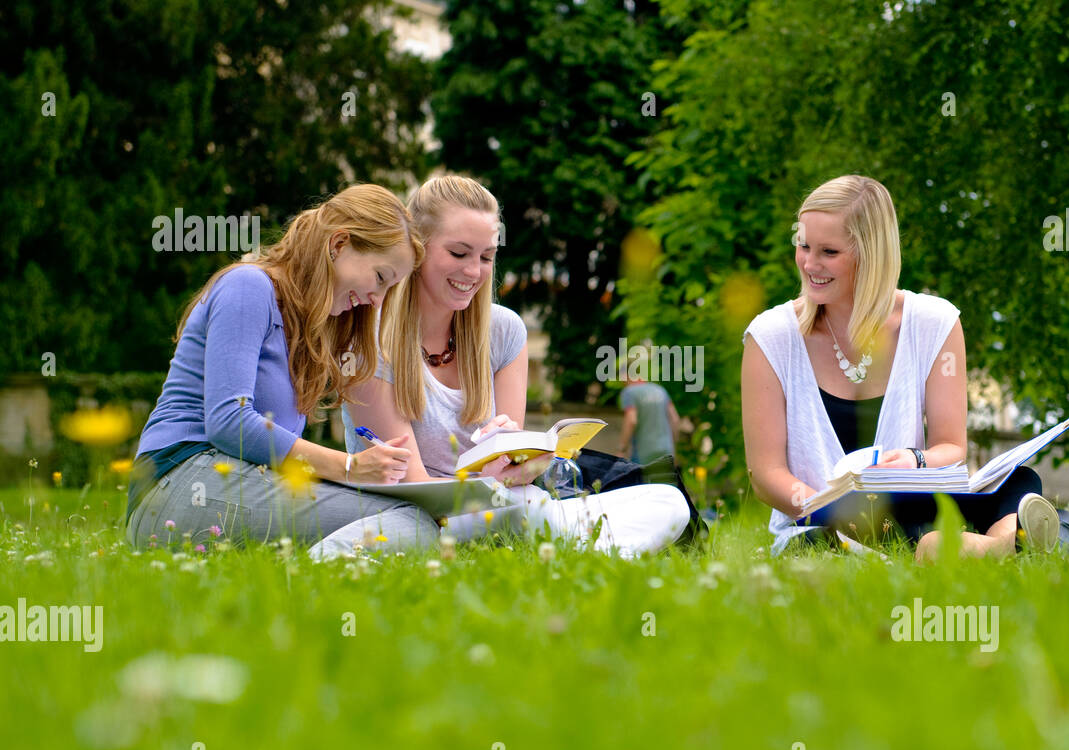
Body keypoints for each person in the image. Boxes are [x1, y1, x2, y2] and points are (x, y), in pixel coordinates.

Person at [341, 174, 690, 558]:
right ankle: (585, 553)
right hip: (417, 515)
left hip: (505, 507)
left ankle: (579, 551)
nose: (474, 272)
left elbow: (513, 476)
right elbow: (413, 486)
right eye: (459, 254)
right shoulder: (369, 336)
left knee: (668, 501)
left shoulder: (504, 330)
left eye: (486, 257)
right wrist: (498, 493)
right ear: (417, 251)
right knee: (530, 517)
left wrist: (520, 462)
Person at [740, 174, 1060, 560]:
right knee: (821, 546)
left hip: (912, 509)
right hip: (820, 525)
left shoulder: (934, 323)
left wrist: (915, 460)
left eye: (829, 252)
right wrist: (838, 513)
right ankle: (1000, 546)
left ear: (872, 254)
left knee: (1019, 481)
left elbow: (951, 447)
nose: (809, 264)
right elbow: (766, 475)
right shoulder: (771, 336)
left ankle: (992, 545)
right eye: (803, 246)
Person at [125, 184, 441, 559]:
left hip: (232, 480)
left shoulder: (304, 325)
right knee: (410, 523)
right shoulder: (248, 286)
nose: (378, 300)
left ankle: (306, 570)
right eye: (380, 278)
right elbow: (229, 422)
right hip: (180, 481)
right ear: (338, 244)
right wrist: (350, 467)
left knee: (411, 519)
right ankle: (318, 574)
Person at [615, 364, 679, 469]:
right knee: (662, 484)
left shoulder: (629, 392)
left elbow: (631, 420)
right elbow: (675, 419)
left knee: (642, 484)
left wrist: (622, 449)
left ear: (625, 376)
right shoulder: (660, 390)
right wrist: (673, 446)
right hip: (667, 450)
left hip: (643, 452)